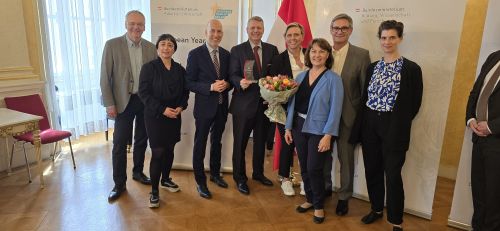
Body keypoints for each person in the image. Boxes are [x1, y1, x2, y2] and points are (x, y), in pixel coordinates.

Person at [349, 20, 423, 231]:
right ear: (379, 39)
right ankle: (376, 209)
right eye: (383, 37)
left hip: (394, 127)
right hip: (370, 124)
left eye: (392, 37)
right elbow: (365, 98)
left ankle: (396, 221)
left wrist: (396, 122)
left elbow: (415, 104)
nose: (387, 42)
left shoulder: (412, 69)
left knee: (392, 175)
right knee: (372, 170)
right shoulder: (373, 67)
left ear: (400, 38)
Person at [284, 38, 344, 224]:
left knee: (314, 168)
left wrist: (328, 135)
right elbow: (292, 104)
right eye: (313, 51)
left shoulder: (333, 79)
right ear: (308, 54)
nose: (317, 55)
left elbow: (336, 109)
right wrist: (288, 126)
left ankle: (318, 206)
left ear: (328, 55)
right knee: (304, 167)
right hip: (299, 127)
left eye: (321, 52)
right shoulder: (300, 76)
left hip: (320, 131)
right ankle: (309, 199)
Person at [100, 10, 156, 202]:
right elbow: (104, 78)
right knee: (119, 143)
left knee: (142, 139)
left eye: (140, 24)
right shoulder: (112, 45)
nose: (136, 27)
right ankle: (119, 184)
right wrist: (109, 104)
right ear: (125, 24)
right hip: (123, 101)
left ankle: (138, 172)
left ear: (144, 27)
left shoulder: (150, 47)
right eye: (132, 23)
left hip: (145, 100)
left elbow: (154, 77)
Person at [323, 13, 371, 216]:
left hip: (347, 117)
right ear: (331, 30)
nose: (339, 31)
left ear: (350, 30)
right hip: (323, 116)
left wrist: (359, 121)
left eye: (344, 28)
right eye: (335, 28)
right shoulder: (321, 52)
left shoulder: (361, 54)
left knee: (346, 159)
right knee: (323, 155)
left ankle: (344, 197)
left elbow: (364, 91)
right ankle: (325, 187)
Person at [228, 16, 279, 195]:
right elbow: (232, 74)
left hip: (264, 106)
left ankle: (258, 173)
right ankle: (240, 178)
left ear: (263, 29)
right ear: (247, 30)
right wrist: (238, 81)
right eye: (252, 28)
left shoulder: (273, 50)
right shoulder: (237, 50)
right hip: (243, 105)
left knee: (260, 143)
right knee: (240, 144)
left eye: (259, 27)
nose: (256, 31)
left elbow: (275, 77)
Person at [138, 34, 189, 208]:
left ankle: (166, 179)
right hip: (155, 116)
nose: (166, 48)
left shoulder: (180, 69)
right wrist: (162, 109)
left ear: (174, 48)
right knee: (158, 152)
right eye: (163, 44)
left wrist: (181, 107)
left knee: (169, 149)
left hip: (174, 115)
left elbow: (185, 93)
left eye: (170, 45)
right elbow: (144, 94)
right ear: (157, 48)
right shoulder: (148, 68)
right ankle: (154, 191)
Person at [185, 19, 231, 199]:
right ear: (205, 32)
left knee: (217, 141)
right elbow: (188, 82)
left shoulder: (226, 55)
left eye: (219, 31)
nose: (216, 35)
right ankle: (200, 181)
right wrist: (210, 87)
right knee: (200, 143)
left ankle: (215, 174)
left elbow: (229, 81)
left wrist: (227, 84)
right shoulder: (195, 54)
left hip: (221, 107)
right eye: (212, 31)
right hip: (204, 108)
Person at [269, 22, 307, 196]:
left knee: (306, 145)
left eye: (296, 34)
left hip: (308, 109)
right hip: (284, 109)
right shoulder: (278, 59)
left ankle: (306, 179)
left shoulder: (311, 54)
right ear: (285, 38)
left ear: (302, 36)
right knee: (287, 143)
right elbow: (272, 84)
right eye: (289, 35)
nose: (293, 38)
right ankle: (285, 178)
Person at [466, 50, 500, 231]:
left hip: (497, 141)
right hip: (479, 138)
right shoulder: (494, 56)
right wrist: (470, 118)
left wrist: (492, 126)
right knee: (479, 194)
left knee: (494, 199)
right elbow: (476, 91)